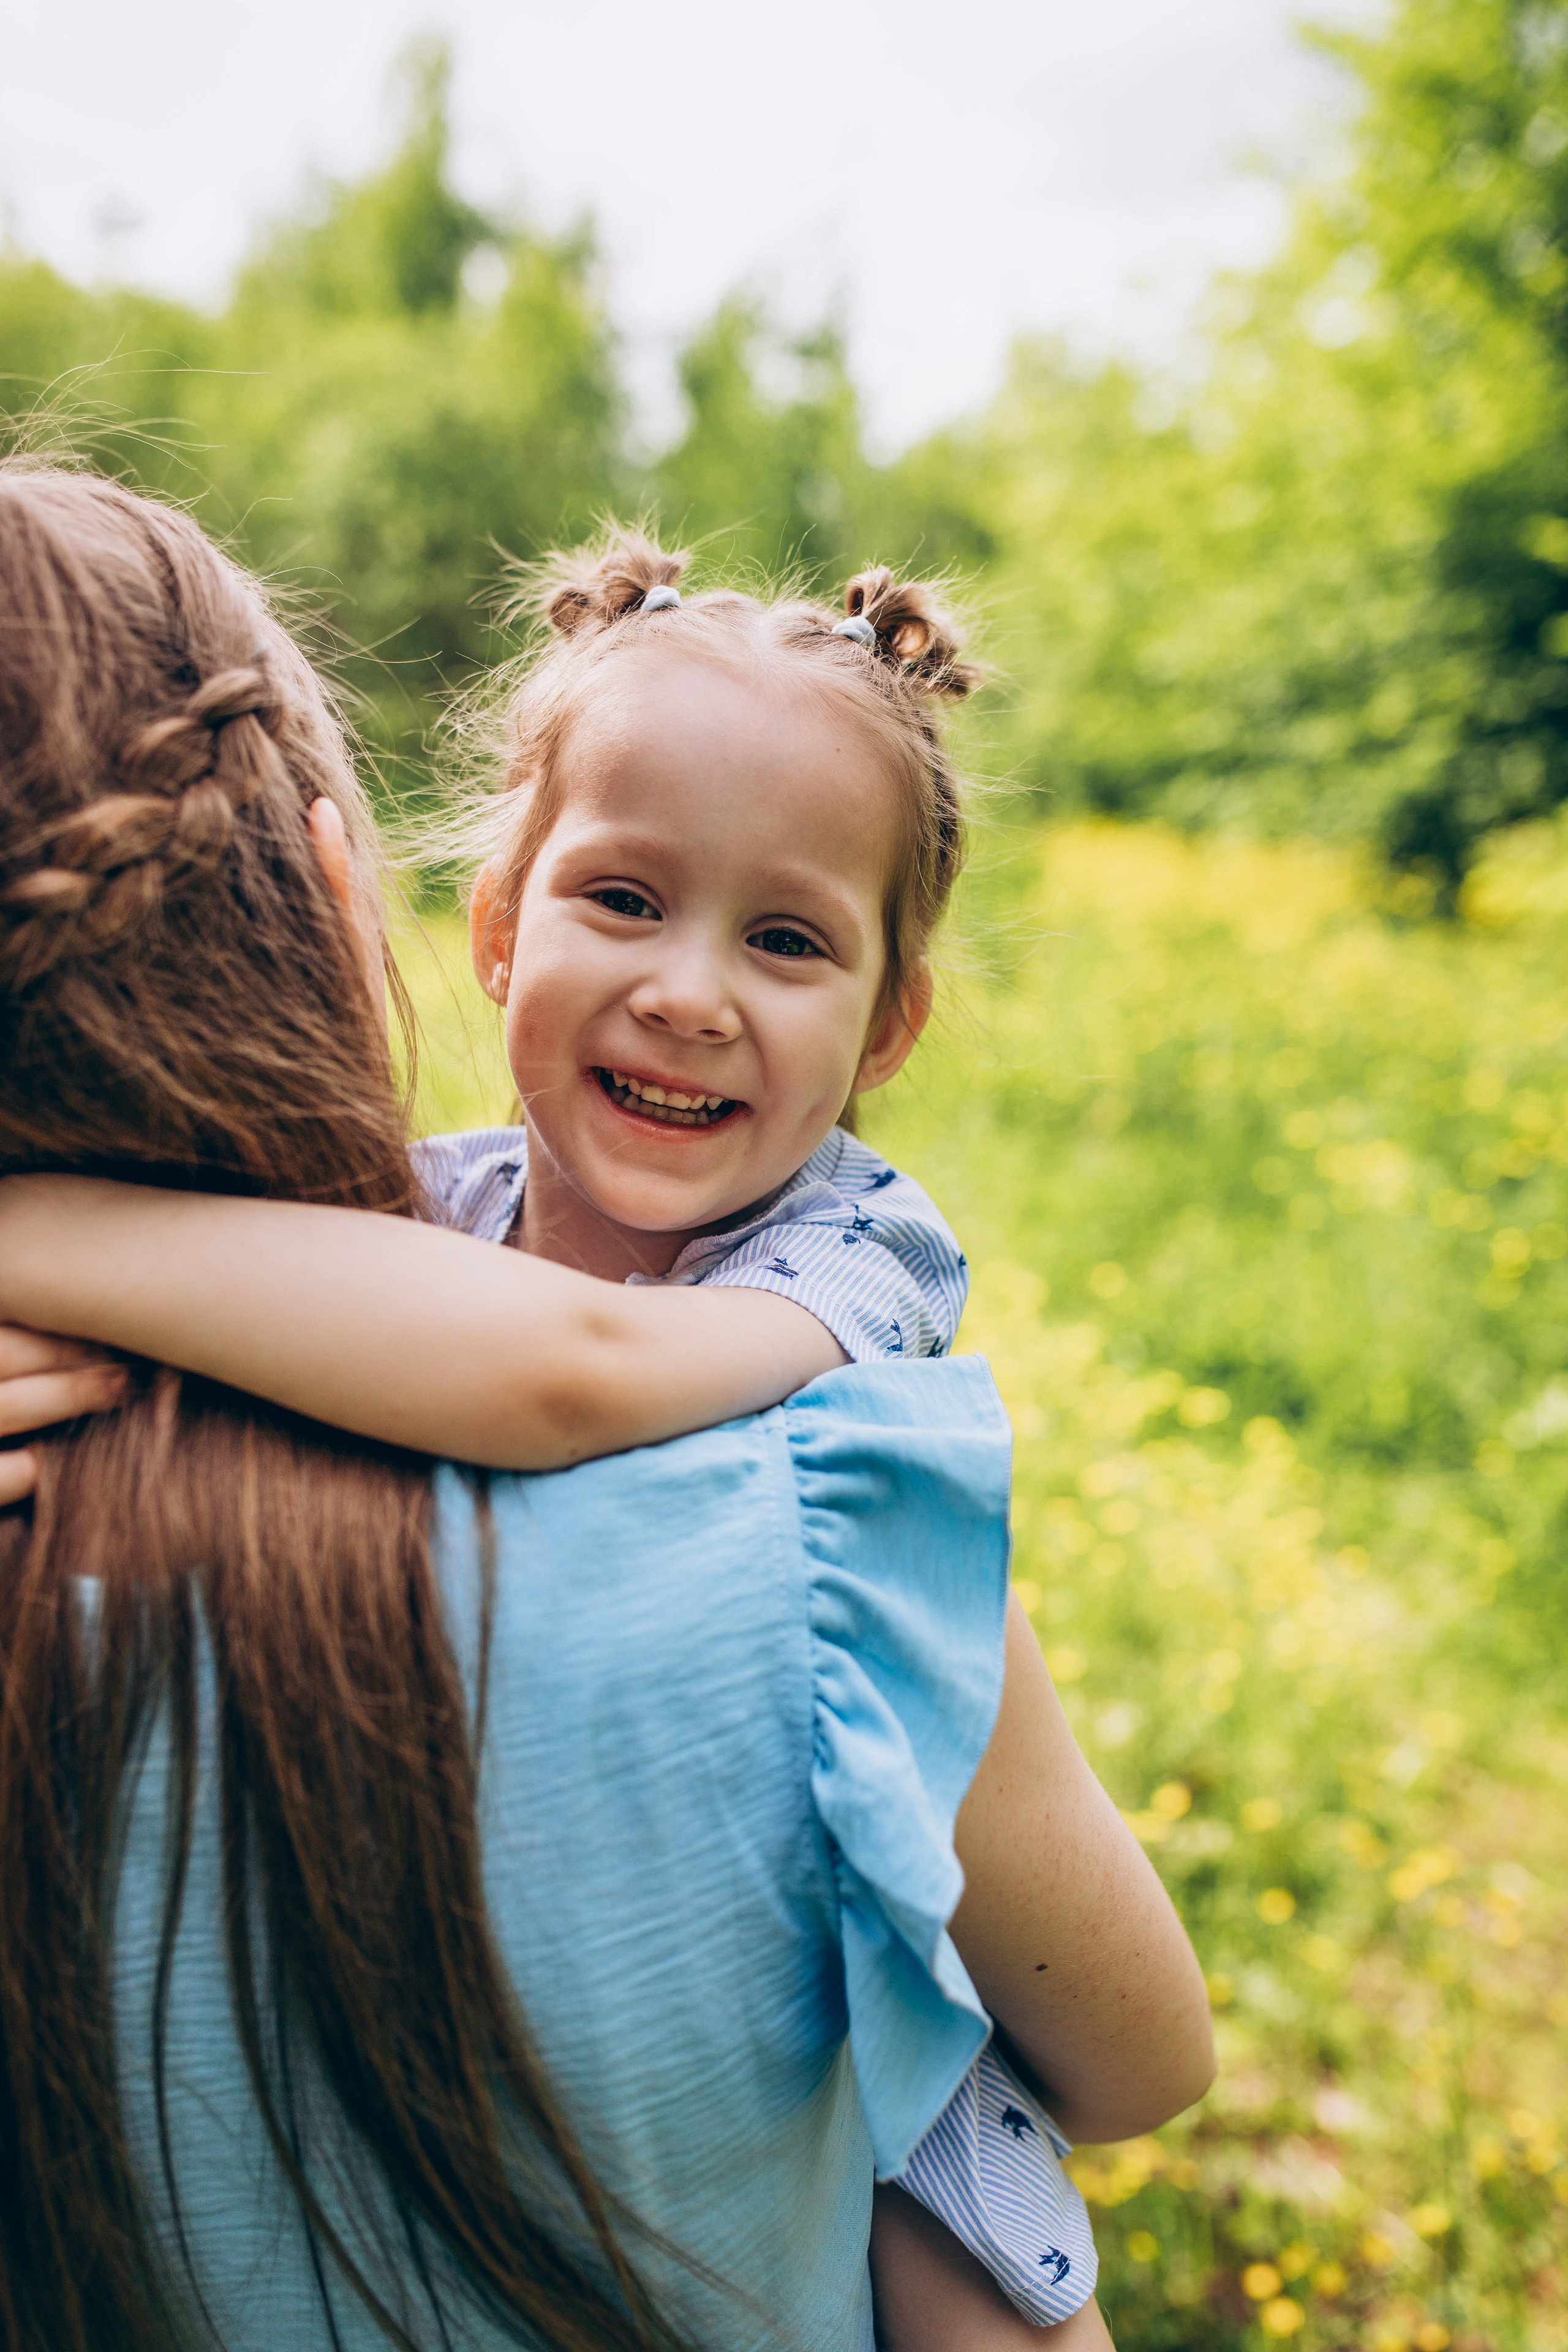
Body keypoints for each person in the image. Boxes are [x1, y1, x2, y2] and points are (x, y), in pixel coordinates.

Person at [0, 467, 1215, 2349]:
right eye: (624, 901)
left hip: (893, 2068)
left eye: (789, 943)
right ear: (489, 926)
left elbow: (577, 1379)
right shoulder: (421, 1201)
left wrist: (36, 1233)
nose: (689, 993)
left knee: (969, 2260)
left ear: (890, 1028)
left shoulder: (857, 1273)